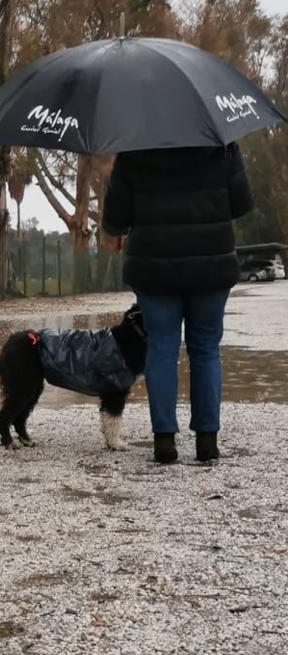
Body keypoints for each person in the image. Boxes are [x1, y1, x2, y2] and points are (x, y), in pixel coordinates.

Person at [102, 142, 254, 464]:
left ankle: (164, 441)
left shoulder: (134, 148)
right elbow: (241, 204)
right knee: (206, 348)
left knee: (161, 347)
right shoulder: (222, 144)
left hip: (153, 267)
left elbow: (115, 217)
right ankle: (207, 441)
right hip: (212, 265)